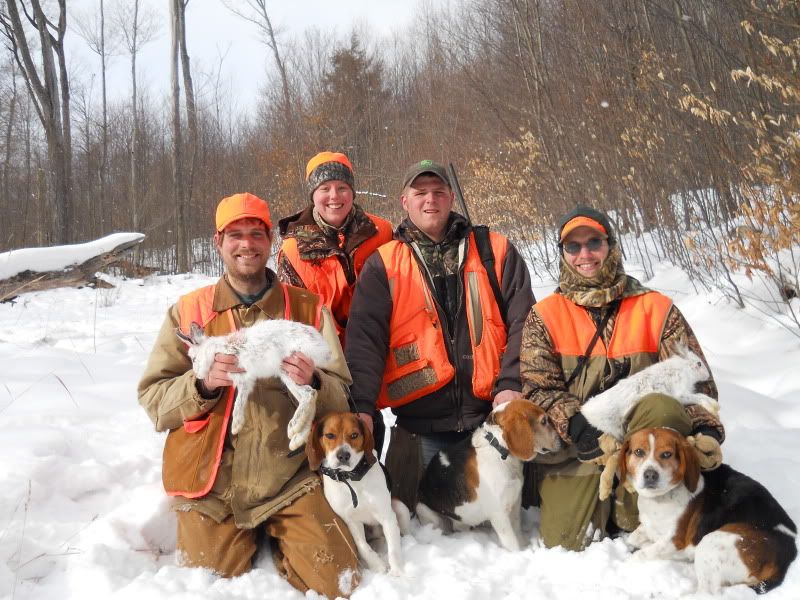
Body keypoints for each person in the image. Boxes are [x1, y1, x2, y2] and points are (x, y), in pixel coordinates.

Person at [137, 192, 359, 598]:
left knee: (340, 581)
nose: (246, 244)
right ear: (217, 242)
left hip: (291, 477)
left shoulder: (308, 309)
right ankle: (240, 539)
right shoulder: (189, 312)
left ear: (270, 240)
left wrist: (314, 383)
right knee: (206, 587)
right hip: (213, 484)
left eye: (256, 233)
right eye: (234, 234)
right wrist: (201, 386)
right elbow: (154, 399)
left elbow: (342, 397)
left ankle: (286, 533)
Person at [520, 204, 724, 551]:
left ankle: (651, 506)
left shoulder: (656, 308)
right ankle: (614, 502)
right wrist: (578, 427)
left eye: (594, 242)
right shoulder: (544, 316)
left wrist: (705, 429)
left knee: (661, 405)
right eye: (573, 246)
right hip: (583, 445)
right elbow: (538, 388)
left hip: (646, 437)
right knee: (565, 541)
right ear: (563, 253)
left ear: (611, 245)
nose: (585, 254)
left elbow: (695, 379)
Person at [345, 160, 535, 510]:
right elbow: (363, 344)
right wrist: (362, 408)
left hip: (493, 421)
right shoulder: (382, 264)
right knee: (411, 514)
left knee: (523, 507)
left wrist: (511, 382)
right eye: (420, 193)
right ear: (405, 202)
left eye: (438, 192)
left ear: (451, 198)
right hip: (420, 427)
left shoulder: (496, 250)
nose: (430, 200)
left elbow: (527, 322)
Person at [277, 151, 393, 347]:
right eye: (324, 188)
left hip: (380, 346)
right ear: (313, 195)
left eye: (342, 188)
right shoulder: (293, 250)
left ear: (352, 192)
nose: (334, 196)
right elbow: (290, 320)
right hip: (327, 356)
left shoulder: (382, 232)